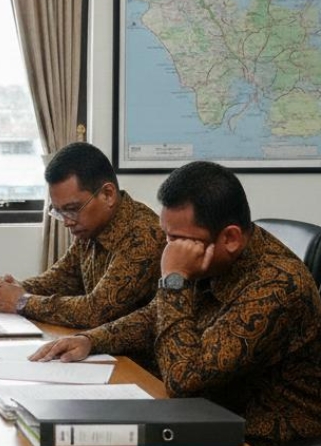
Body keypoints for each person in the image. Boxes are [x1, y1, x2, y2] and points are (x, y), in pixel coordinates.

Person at [32, 161, 321, 446]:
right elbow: (154, 316)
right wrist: (91, 340)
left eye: (179, 240)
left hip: (261, 435)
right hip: (211, 414)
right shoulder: (214, 257)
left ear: (231, 238)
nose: (169, 251)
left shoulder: (279, 285)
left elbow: (184, 379)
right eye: (168, 237)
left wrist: (174, 279)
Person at [0, 141, 164, 327]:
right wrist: (13, 289)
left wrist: (21, 301)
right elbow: (59, 280)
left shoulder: (144, 235)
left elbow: (95, 311)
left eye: (72, 209)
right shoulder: (89, 230)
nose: (67, 221)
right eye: (59, 212)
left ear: (108, 194)